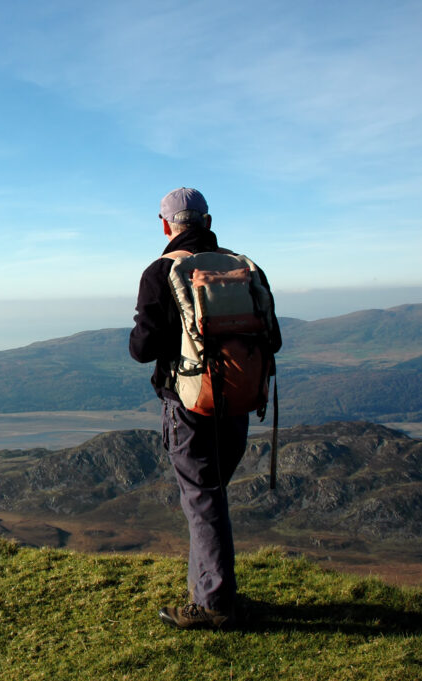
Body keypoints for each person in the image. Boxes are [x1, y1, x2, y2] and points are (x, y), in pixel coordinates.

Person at [129, 187, 281, 629]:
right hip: (238, 399)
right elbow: (273, 339)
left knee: (201, 498)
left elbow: (143, 349)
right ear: (208, 221)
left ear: (165, 225)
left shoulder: (161, 271)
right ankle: (212, 590)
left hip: (190, 404)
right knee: (210, 495)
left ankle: (214, 604)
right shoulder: (244, 267)